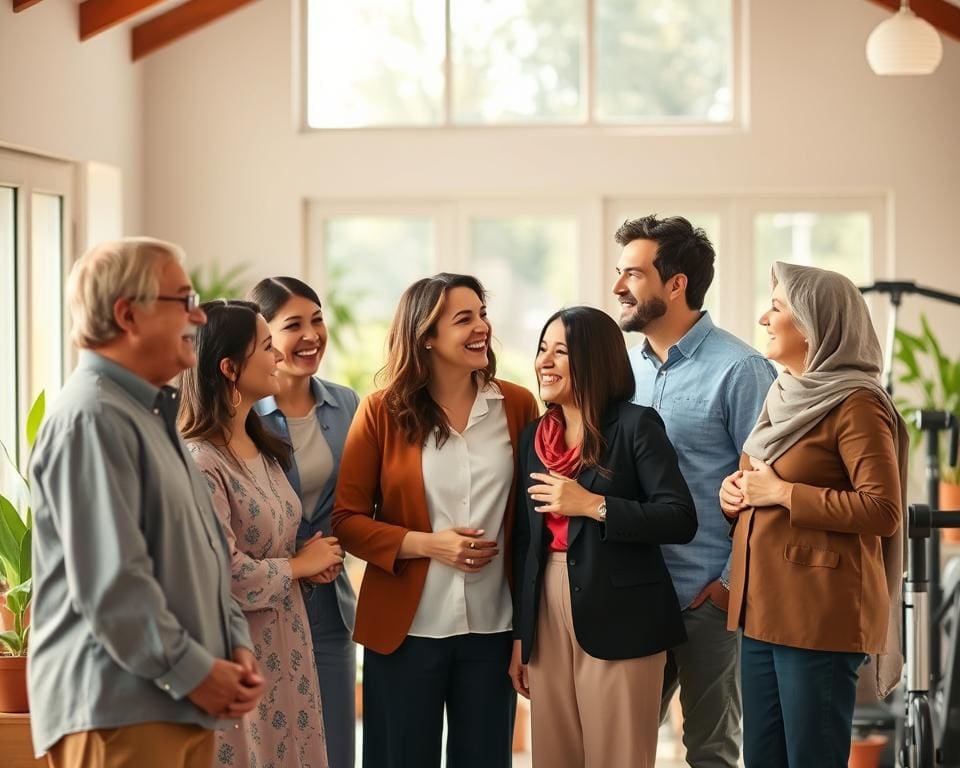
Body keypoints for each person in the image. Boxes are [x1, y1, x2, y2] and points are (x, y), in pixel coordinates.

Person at [28, 238, 263, 768]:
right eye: (183, 300)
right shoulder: (92, 418)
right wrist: (196, 671)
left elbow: (205, 554)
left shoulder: (150, 414)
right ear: (127, 314)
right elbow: (114, 583)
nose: (199, 316)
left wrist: (232, 646)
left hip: (173, 703)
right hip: (120, 710)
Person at [332, 273, 539, 768]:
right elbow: (347, 519)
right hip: (406, 631)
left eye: (482, 314)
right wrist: (428, 545)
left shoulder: (517, 405)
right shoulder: (381, 411)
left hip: (493, 628)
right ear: (426, 335)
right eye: (463, 318)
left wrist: (525, 634)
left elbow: (531, 528)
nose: (482, 327)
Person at [719, 262, 907, 767]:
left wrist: (783, 493)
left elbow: (882, 509)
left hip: (818, 615)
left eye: (777, 308)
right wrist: (735, 497)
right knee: (761, 759)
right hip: (761, 609)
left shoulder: (856, 405)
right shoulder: (782, 394)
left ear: (814, 324)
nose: (763, 318)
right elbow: (761, 487)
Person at [612, 214, 776, 767]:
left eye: (632, 274)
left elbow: (767, 489)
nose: (618, 288)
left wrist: (730, 585)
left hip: (708, 599)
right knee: (622, 748)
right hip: (633, 594)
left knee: (712, 751)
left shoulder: (742, 369)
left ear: (676, 283)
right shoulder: (619, 372)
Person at [509, 306, 697, 768]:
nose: (544, 362)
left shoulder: (636, 426)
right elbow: (522, 542)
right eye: (542, 350)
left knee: (618, 757)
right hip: (546, 613)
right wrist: (521, 636)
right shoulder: (535, 435)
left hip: (623, 614)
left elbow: (679, 518)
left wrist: (592, 505)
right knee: (554, 755)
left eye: (561, 352)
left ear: (594, 360)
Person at [178, 299, 343, 768]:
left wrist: (309, 560)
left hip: (289, 640)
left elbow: (273, 540)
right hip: (239, 653)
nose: (277, 358)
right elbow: (221, 575)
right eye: (267, 347)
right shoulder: (200, 461)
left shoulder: (266, 447)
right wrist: (297, 566)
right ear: (230, 368)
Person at [249, 276, 360, 768]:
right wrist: (298, 560)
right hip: (265, 606)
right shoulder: (243, 414)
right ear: (263, 336)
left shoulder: (347, 404)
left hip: (331, 607)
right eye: (294, 325)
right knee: (273, 745)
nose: (312, 335)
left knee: (335, 744)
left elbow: (357, 502)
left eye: (317, 320)